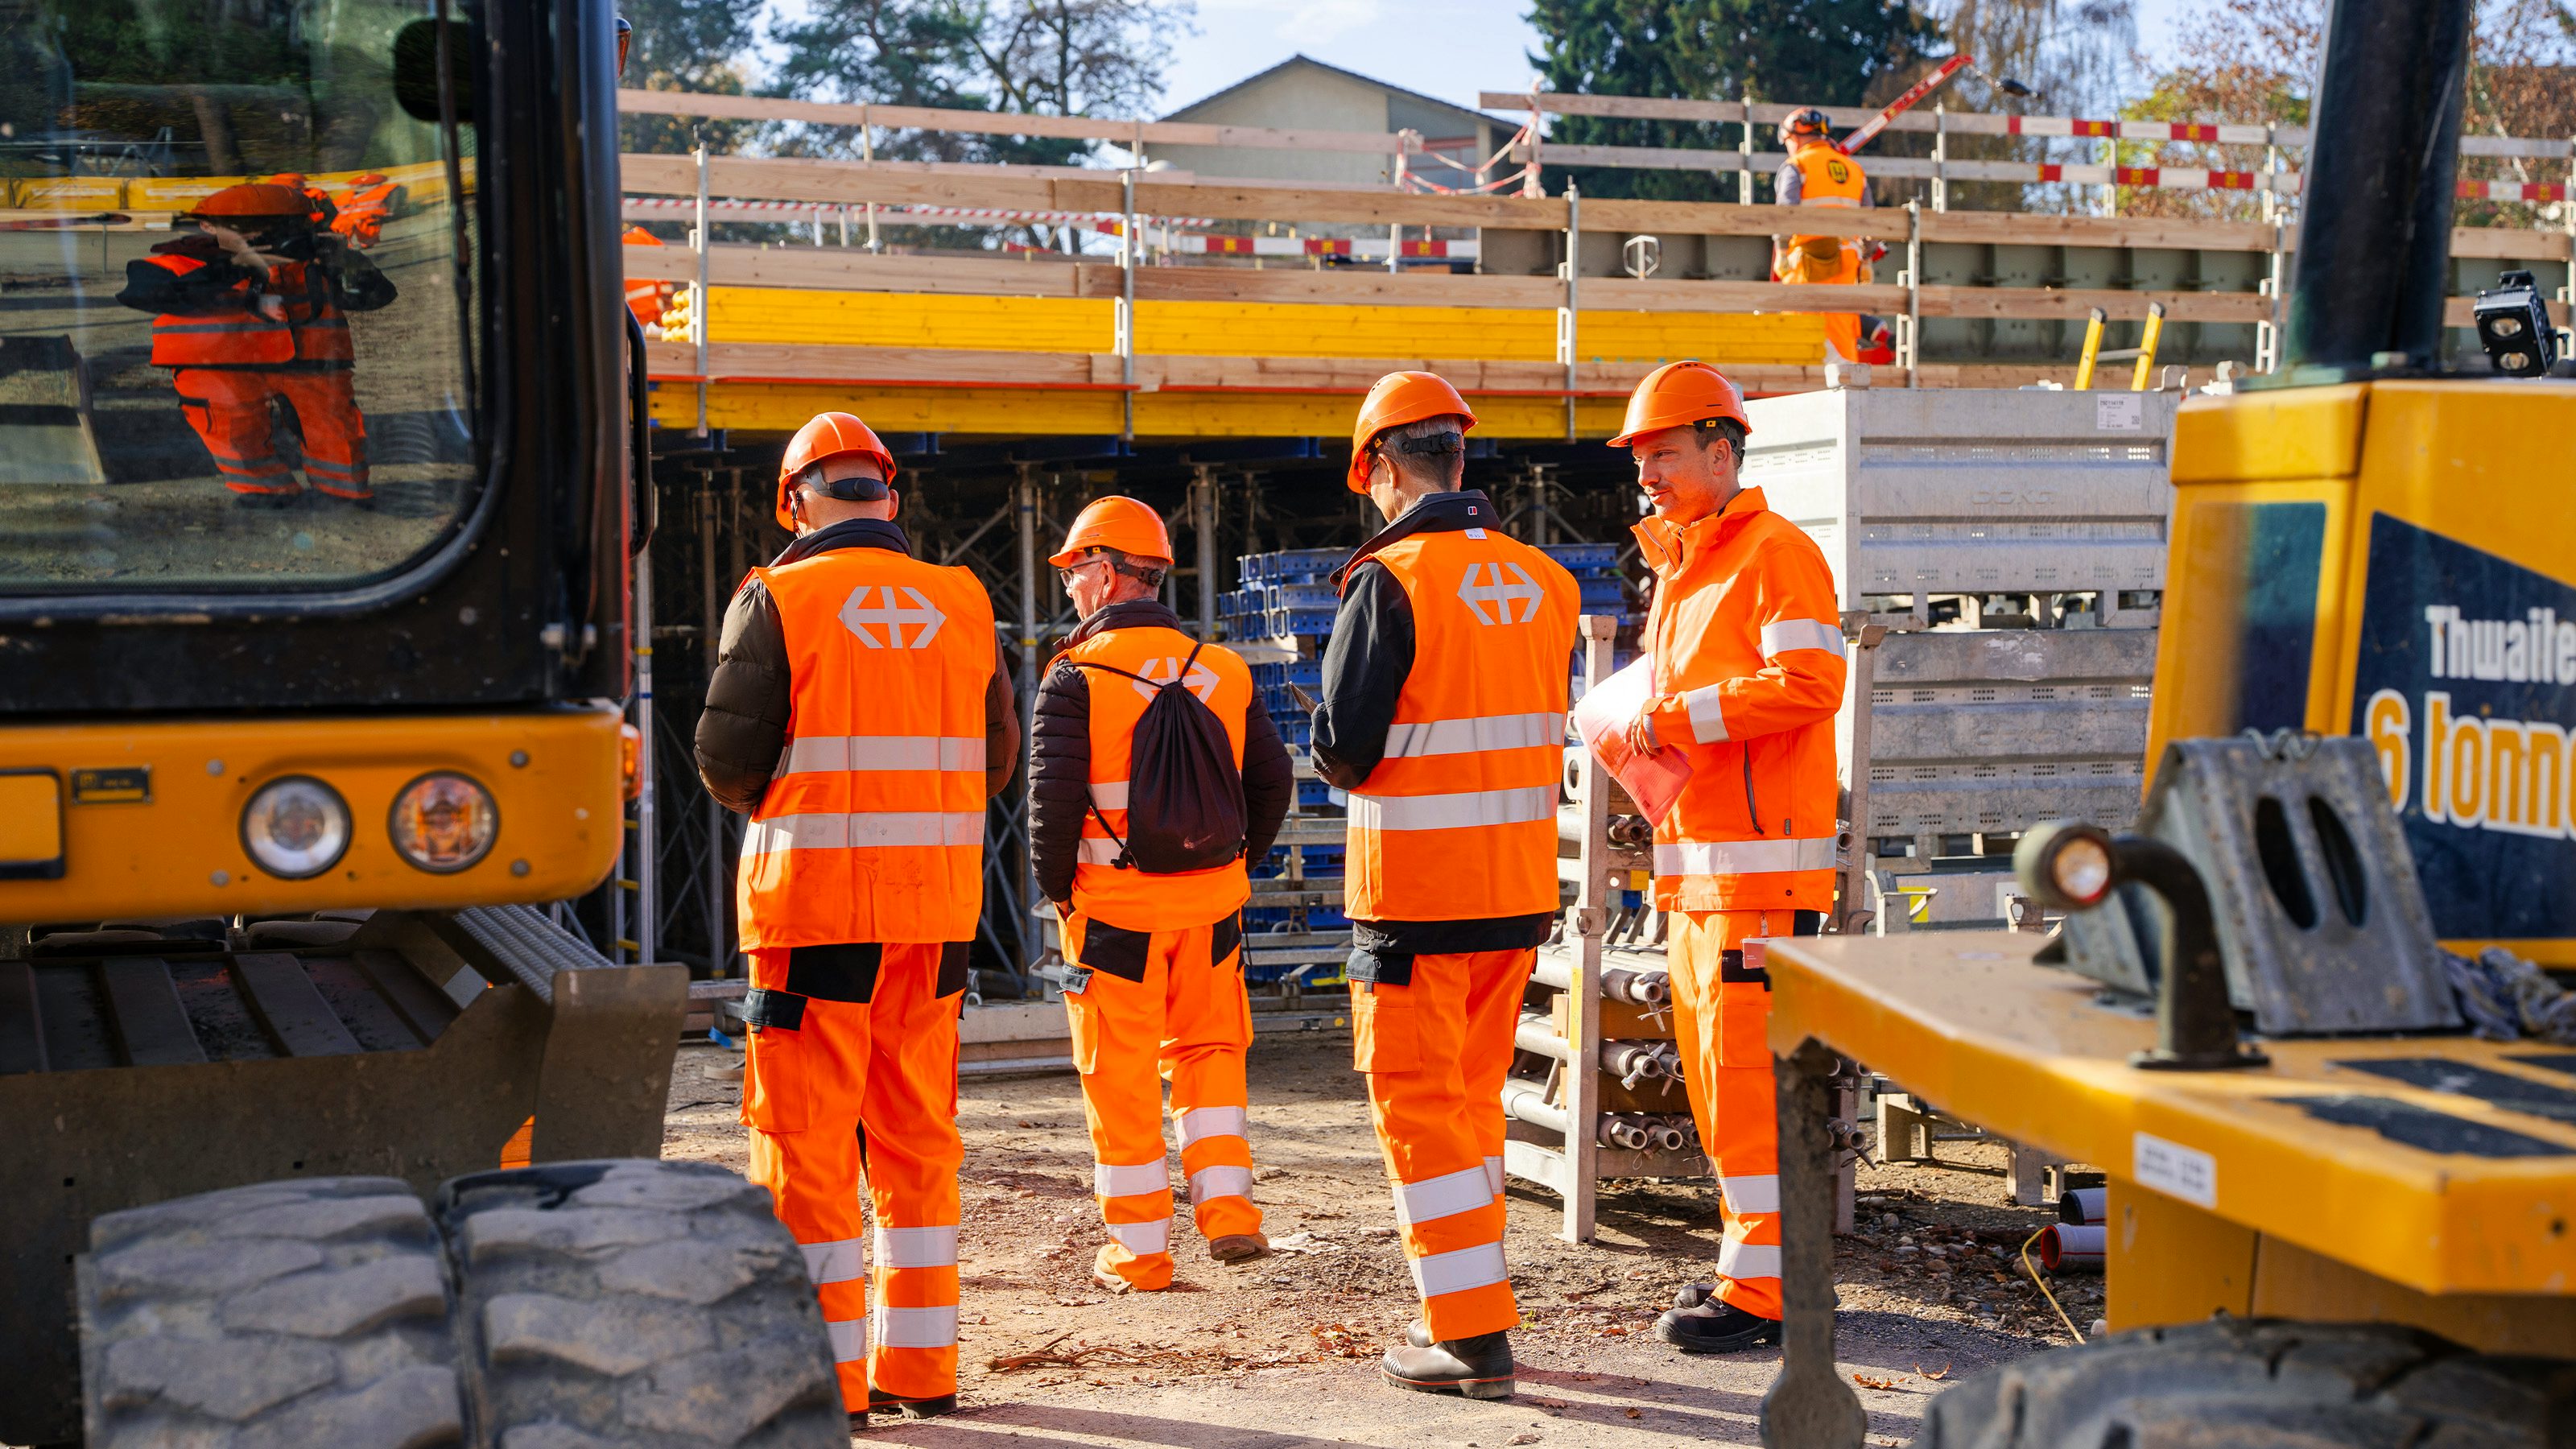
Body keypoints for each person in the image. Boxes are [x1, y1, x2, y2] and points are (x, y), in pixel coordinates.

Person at [693, 411, 1020, 1426]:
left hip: (814, 919)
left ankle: (822, 1383)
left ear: (793, 501)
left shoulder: (777, 595)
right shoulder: (964, 600)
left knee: (807, 1145)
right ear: (891, 496)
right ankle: (921, 1370)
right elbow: (997, 760)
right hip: (932, 922)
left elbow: (725, 761)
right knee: (917, 1136)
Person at [1311, 371, 1578, 1400]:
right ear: (1458, 459)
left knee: (1419, 1112)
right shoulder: (1543, 581)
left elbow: (1342, 749)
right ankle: (1470, 1308)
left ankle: (1469, 1335)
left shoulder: (1390, 579)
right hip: (1511, 893)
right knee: (1468, 1111)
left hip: (1415, 899)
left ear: (1379, 467)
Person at [1607, 361, 1846, 1355]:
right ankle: (1750, 1275)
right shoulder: (1687, 567)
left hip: (1757, 874)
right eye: (1639, 458)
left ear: (1720, 451)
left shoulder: (1771, 554)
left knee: (1748, 1083)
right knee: (1719, 1086)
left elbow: (1811, 681)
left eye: (1661, 453)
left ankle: (1764, 1293)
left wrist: (1669, 718)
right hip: (1705, 872)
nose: (1646, 475)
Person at [1026, 495, 1295, 1294]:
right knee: (1211, 1056)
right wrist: (1237, 863)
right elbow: (1272, 778)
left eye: (1076, 573)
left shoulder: (1072, 676)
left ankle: (1139, 1254)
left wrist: (1060, 896)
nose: (1071, 588)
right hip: (1211, 906)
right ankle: (1230, 1216)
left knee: (1123, 1075)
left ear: (1106, 574)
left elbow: (1051, 805)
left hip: (1115, 912)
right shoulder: (1223, 668)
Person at [114, 181, 394, 507]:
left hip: (310, 364)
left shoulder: (316, 262)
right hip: (221, 372)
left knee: (334, 433)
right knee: (235, 436)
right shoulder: (179, 260)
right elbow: (146, 295)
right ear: (207, 226)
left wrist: (345, 262)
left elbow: (377, 298)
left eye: (275, 226)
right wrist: (236, 266)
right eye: (242, 228)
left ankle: (344, 492)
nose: (258, 236)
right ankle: (266, 492)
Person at [1771, 109, 1889, 364]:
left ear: (1795, 137)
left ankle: (1805, 386)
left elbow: (1785, 214)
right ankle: (1845, 386)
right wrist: (1866, 258)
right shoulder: (1854, 169)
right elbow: (1871, 221)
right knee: (1842, 324)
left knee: (1802, 325)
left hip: (1810, 264)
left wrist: (1781, 250)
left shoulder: (1796, 166)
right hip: (1848, 263)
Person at [329, 172, 402, 249]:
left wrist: (391, 211)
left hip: (368, 219)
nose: (354, 187)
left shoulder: (381, 191)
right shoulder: (348, 195)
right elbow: (336, 207)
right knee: (342, 226)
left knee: (366, 233)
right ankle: (348, 243)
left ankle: (365, 242)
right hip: (350, 220)